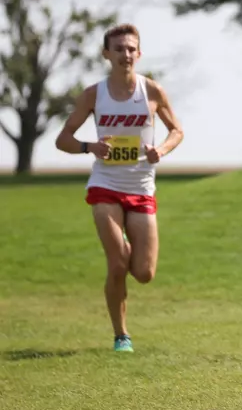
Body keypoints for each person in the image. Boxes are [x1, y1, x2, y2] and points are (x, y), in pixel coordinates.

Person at [55, 23, 184, 353]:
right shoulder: (93, 95)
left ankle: (126, 243)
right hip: (105, 185)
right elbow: (63, 139)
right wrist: (89, 147)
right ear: (106, 54)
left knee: (143, 273)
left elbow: (176, 131)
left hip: (141, 187)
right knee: (117, 264)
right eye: (119, 49)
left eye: (131, 48)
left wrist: (162, 150)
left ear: (139, 54)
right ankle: (121, 336)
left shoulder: (152, 91)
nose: (125, 54)